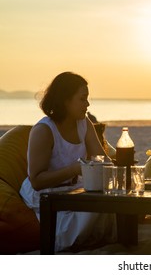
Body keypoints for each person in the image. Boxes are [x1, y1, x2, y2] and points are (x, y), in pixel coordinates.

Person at [19, 72, 116, 252]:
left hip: (73, 188)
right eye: (83, 99)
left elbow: (102, 159)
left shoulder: (84, 123)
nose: (88, 104)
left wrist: (110, 168)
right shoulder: (44, 130)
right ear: (65, 100)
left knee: (108, 204)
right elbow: (37, 181)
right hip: (47, 193)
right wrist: (74, 169)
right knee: (92, 213)